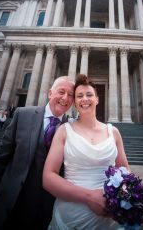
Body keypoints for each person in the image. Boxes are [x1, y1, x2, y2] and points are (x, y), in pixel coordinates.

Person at [43, 74, 130, 230]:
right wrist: (89, 197)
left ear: (97, 99)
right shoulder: (63, 131)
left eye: (89, 95)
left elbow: (125, 173)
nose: (84, 99)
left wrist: (124, 198)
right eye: (79, 96)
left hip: (108, 214)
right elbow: (48, 177)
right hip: (71, 213)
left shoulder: (114, 132)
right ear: (75, 102)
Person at [0, 76, 74, 230]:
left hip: (45, 210)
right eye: (61, 92)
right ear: (49, 93)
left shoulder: (73, 131)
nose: (65, 98)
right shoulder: (23, 114)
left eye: (71, 95)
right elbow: (0, 161)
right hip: (10, 202)